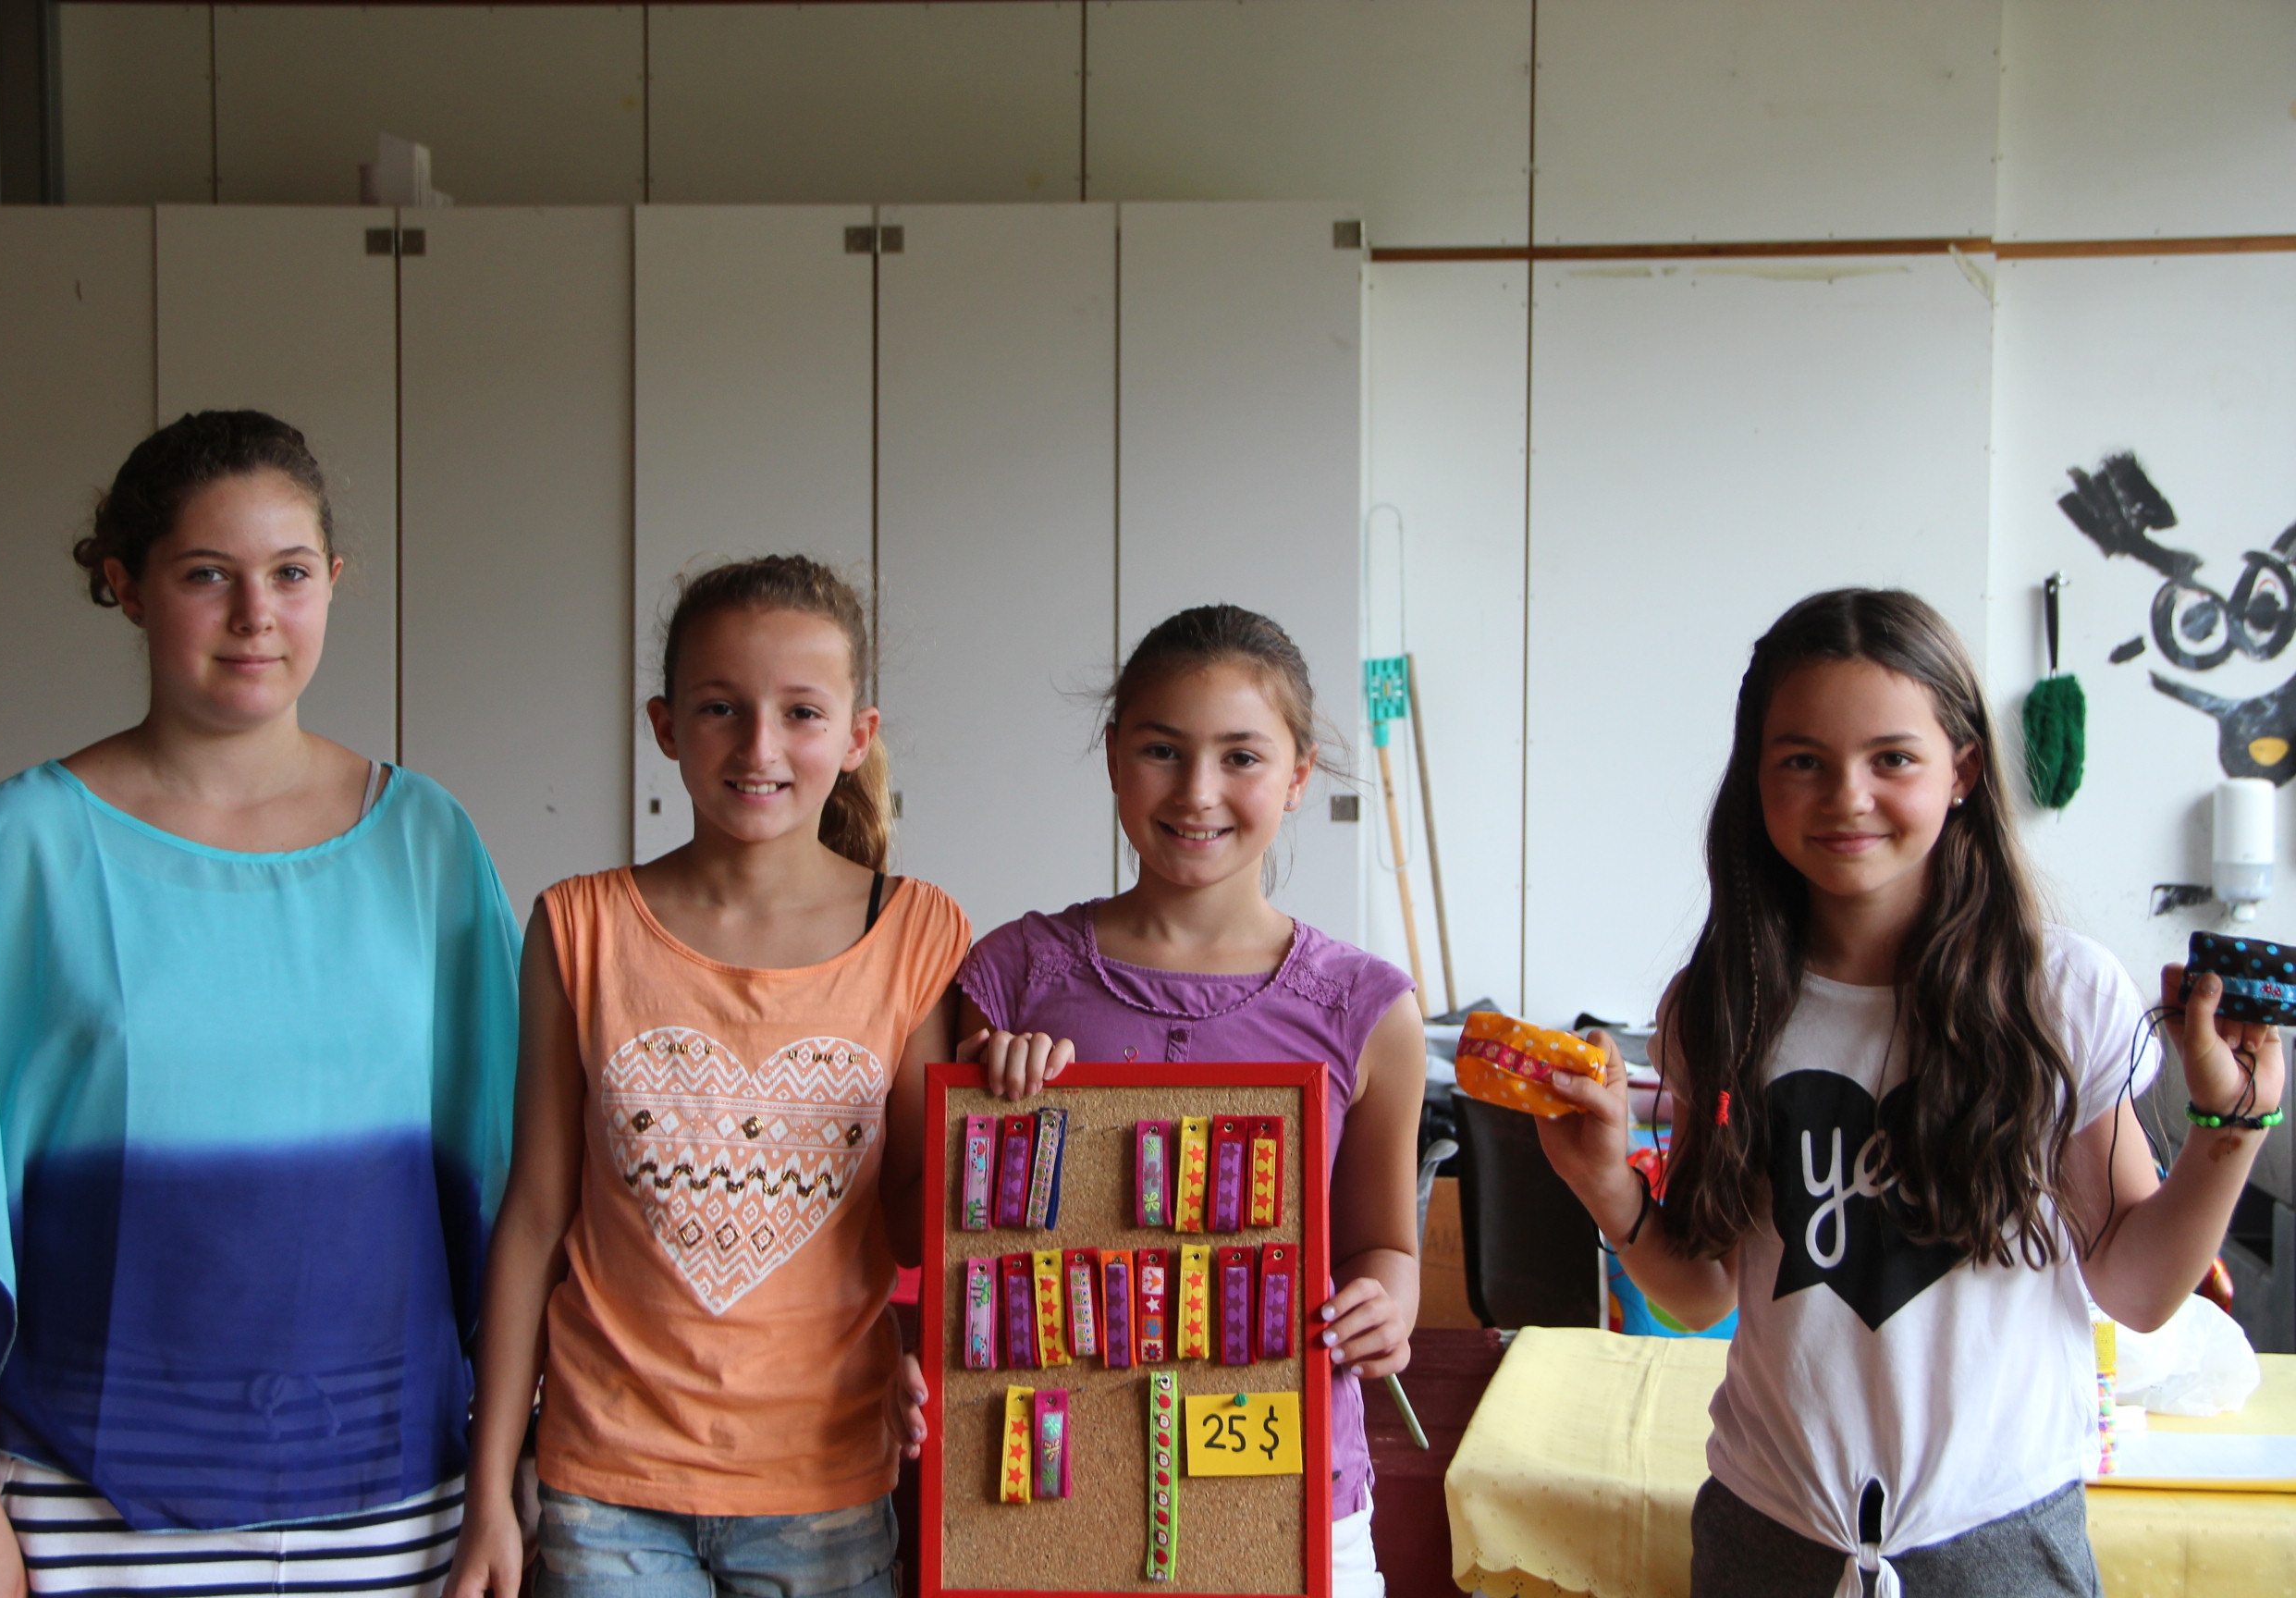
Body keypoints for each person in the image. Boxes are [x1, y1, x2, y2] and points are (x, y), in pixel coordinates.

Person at [1536, 588, 2284, 1598]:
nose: (1848, 796)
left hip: (2002, 1541)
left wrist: (2232, 1126)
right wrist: (1607, 1188)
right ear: (1756, 779)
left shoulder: (2059, 993)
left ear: (1962, 770)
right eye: (1802, 761)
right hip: (1766, 1535)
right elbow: (1705, 1289)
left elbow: (2137, 1291)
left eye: (1892, 758)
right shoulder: (1720, 1002)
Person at [0, 410, 522, 1598]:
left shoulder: (429, 843)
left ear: (333, 581)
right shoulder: (15, 851)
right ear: (125, 587)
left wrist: (508, 1471)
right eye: (205, 575)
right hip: (85, 1506)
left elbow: (512, 1191)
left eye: (290, 573)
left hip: (395, 1501)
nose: (255, 616)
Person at [446, 556, 967, 1598]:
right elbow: (535, 1216)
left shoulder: (917, 932)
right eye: (721, 707)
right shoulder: (577, 927)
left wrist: (1004, 1093)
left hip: (825, 1482)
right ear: (666, 726)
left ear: (857, 735)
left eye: (801, 712)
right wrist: (489, 1487)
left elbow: (919, 1223)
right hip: (606, 1479)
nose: (759, 747)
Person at [960, 603, 1426, 1598]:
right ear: (1114, 757)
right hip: (1051, 1503)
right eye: (1162, 750)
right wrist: (990, 1092)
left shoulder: (1368, 1008)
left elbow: (1383, 1244)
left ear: (1298, 776)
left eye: (1241, 757)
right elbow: (951, 1231)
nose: (1198, 791)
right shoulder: (1012, 975)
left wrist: (1387, 1307)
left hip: (1292, 1492)